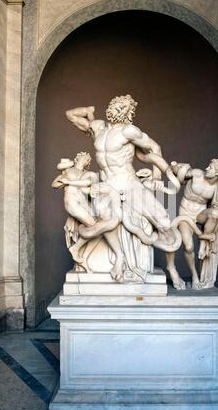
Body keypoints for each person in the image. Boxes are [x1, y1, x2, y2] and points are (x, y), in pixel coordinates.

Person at [65, 95, 183, 281]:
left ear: (129, 112)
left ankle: (172, 269)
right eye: (116, 104)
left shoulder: (129, 131)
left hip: (129, 184)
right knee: (106, 217)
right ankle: (119, 257)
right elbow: (70, 115)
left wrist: (157, 176)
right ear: (110, 106)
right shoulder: (98, 127)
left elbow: (154, 147)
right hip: (107, 186)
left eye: (123, 107)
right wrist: (87, 110)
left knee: (164, 222)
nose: (117, 109)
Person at [166, 159, 218, 289]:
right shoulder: (197, 174)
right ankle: (194, 274)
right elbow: (179, 174)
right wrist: (176, 167)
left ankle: (204, 241)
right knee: (188, 247)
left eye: (210, 168)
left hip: (200, 215)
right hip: (185, 214)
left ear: (217, 174)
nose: (207, 168)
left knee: (214, 213)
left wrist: (212, 233)